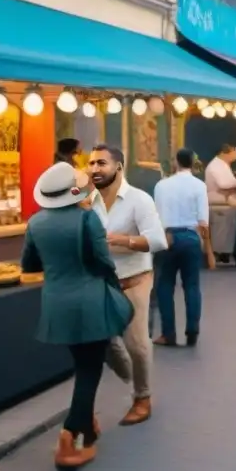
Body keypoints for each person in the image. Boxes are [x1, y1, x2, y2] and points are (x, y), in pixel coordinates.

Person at [21, 163, 133, 470]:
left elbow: (29, 265)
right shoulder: (87, 219)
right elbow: (102, 261)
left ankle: (86, 425)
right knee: (89, 369)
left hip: (56, 303)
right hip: (90, 302)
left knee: (82, 364)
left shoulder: (35, 223)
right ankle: (69, 436)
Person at [88, 145, 168, 426]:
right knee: (100, 345)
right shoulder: (89, 201)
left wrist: (123, 240)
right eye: (91, 164)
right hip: (101, 282)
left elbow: (158, 241)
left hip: (135, 280)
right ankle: (130, 383)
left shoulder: (139, 200)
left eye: (101, 163)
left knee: (136, 343)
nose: (94, 169)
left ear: (118, 167)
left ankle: (142, 397)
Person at [153, 148, 209, 347]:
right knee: (192, 285)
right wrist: (206, 246)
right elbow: (203, 220)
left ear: (175, 162)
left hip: (167, 236)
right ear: (193, 163)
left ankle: (168, 333)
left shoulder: (161, 185)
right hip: (191, 236)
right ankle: (192, 329)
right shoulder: (199, 186)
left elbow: (156, 214)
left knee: (165, 285)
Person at [204, 143, 236, 265]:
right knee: (223, 225)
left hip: (223, 196)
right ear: (224, 153)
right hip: (216, 198)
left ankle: (225, 252)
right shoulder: (216, 166)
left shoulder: (223, 165)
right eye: (234, 153)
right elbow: (223, 184)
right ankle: (220, 253)